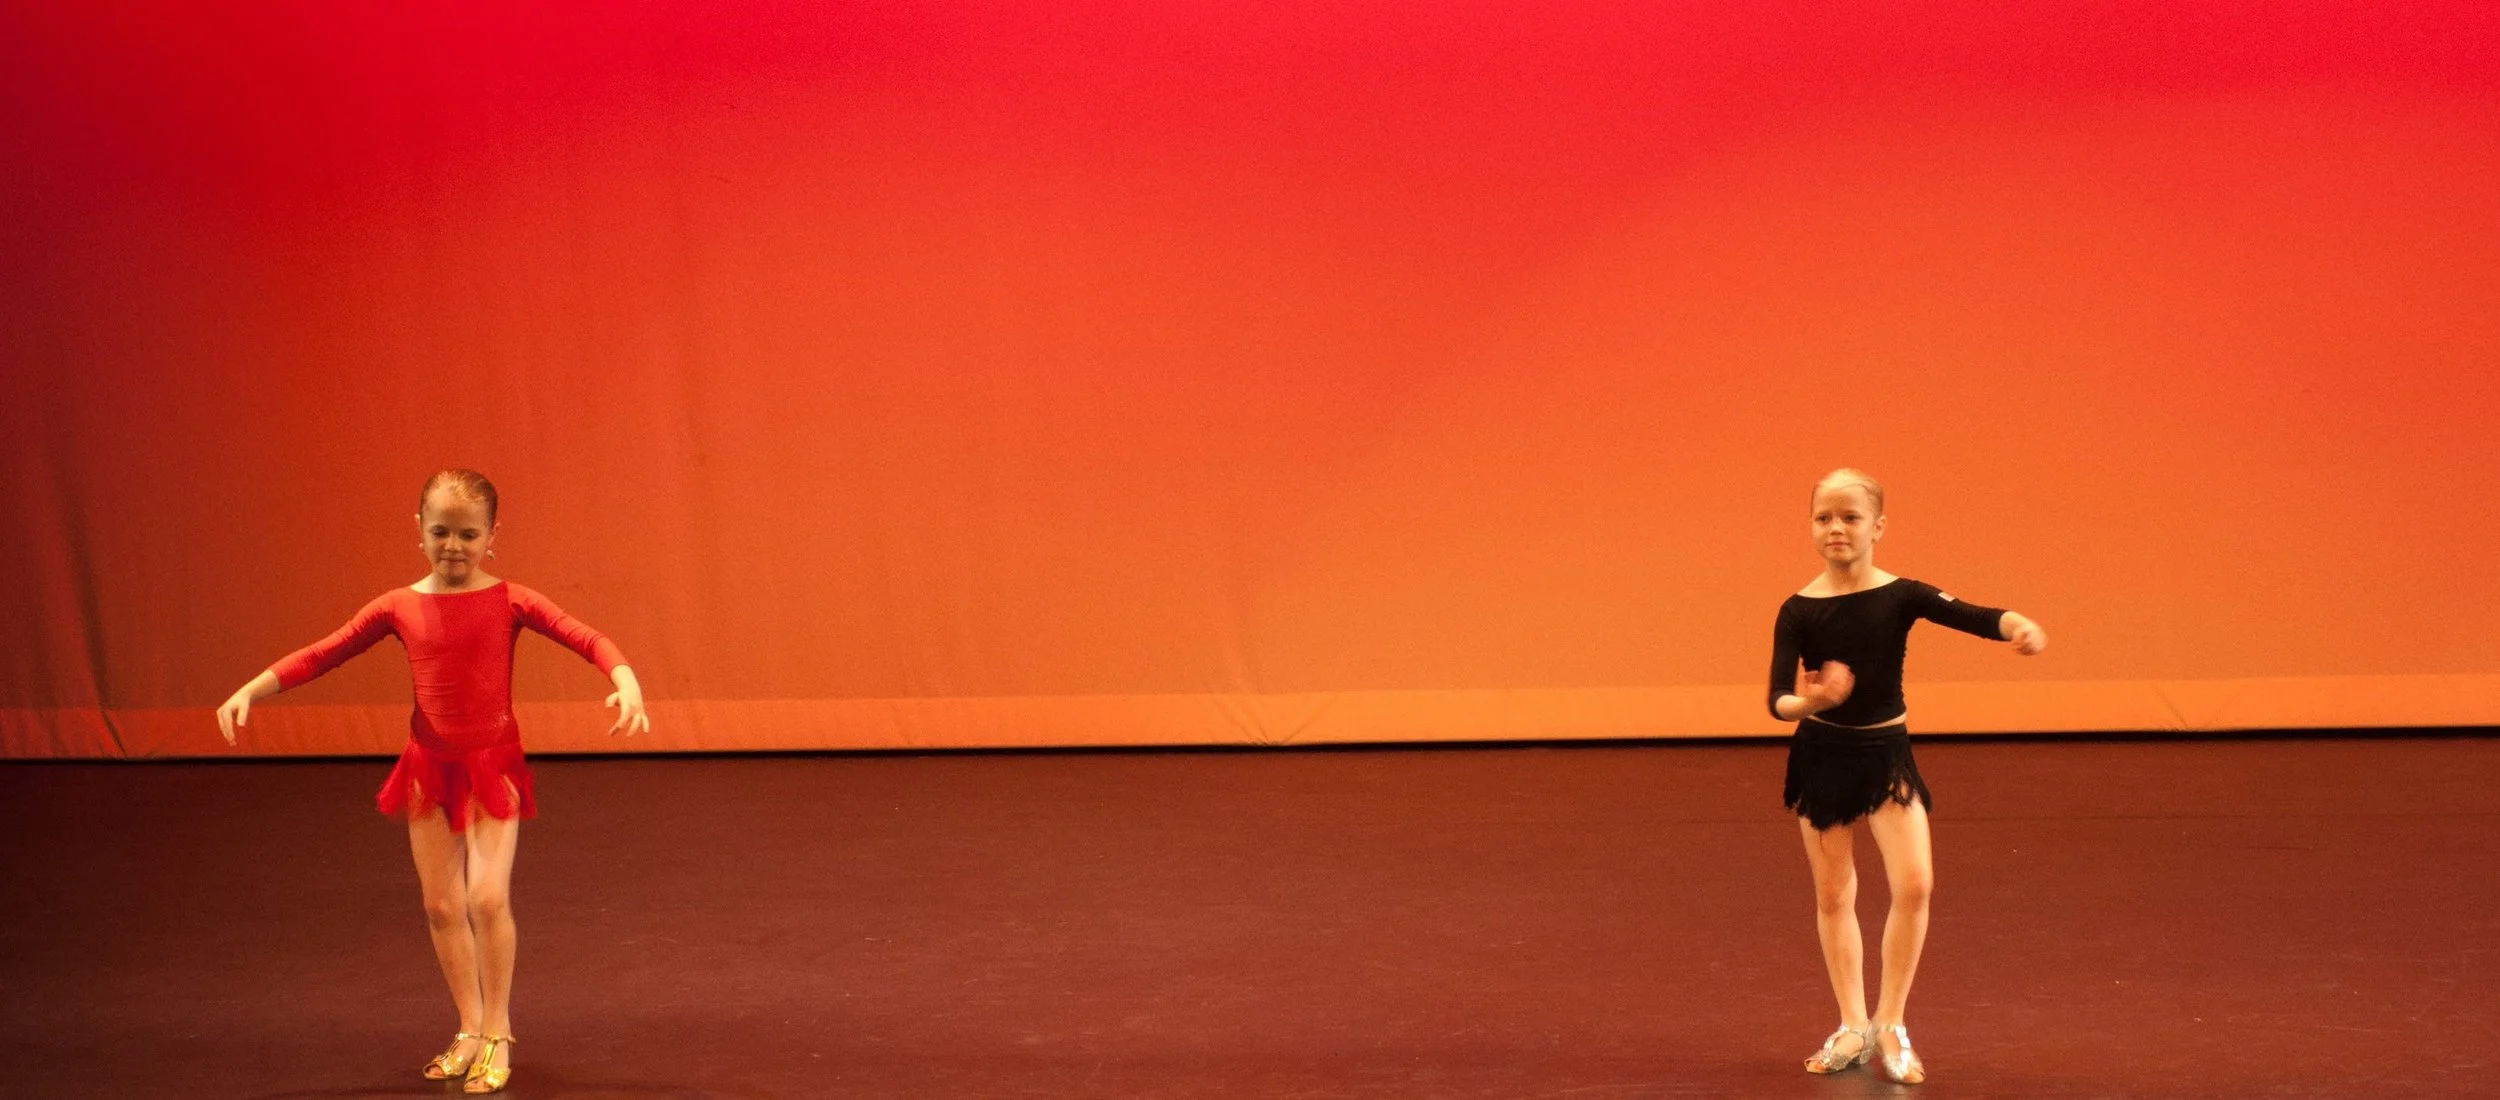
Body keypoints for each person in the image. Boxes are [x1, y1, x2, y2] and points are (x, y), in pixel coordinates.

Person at [216, 469, 649, 1094]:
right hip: (427, 765)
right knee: (442, 905)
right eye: (440, 531)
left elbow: (585, 636)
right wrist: (252, 689)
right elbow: (324, 651)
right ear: (417, 529)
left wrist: (624, 678)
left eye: (468, 534)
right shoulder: (398, 606)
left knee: (487, 898)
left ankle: (499, 1028)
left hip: (491, 764)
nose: (453, 545)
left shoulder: (511, 600)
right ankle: (469, 1025)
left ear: (492, 535)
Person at [1768, 468, 2046, 1084]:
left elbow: (1974, 614)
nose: (1836, 528)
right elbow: (1777, 700)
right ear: (1811, 525)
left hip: (1885, 756)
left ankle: (1891, 1023)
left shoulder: (1902, 595)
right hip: (1821, 759)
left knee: (1915, 884)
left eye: (1850, 517)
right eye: (1823, 517)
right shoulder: (1798, 610)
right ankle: (1851, 1023)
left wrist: (2016, 624)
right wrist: (1809, 704)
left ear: (1878, 527)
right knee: (1835, 894)